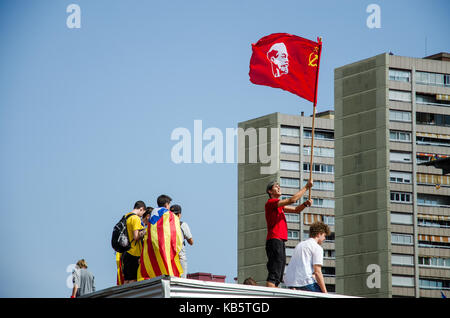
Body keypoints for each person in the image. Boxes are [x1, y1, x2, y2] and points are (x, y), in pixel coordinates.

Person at [265, 180, 313, 288]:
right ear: (270, 191)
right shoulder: (271, 202)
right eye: (275, 186)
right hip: (274, 240)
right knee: (274, 273)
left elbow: (296, 210)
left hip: (279, 240)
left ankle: (274, 292)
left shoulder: (279, 206)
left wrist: (305, 204)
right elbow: (292, 200)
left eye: (279, 186)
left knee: (278, 273)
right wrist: (306, 187)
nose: (278, 187)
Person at [283, 221, 331, 293]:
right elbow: (317, 272)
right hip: (305, 282)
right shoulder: (317, 247)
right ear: (319, 234)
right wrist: (325, 292)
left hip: (291, 283)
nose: (324, 238)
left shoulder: (300, 245)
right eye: (324, 235)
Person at [122, 200, 146, 284]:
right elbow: (136, 236)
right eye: (143, 213)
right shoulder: (135, 218)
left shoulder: (126, 216)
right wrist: (144, 232)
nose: (142, 215)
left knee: (126, 279)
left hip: (125, 251)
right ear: (141, 209)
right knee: (133, 280)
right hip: (134, 252)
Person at [170, 204, 193, 278]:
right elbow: (191, 242)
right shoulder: (182, 225)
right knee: (182, 277)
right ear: (179, 214)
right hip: (180, 254)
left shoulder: (166, 225)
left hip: (169, 254)